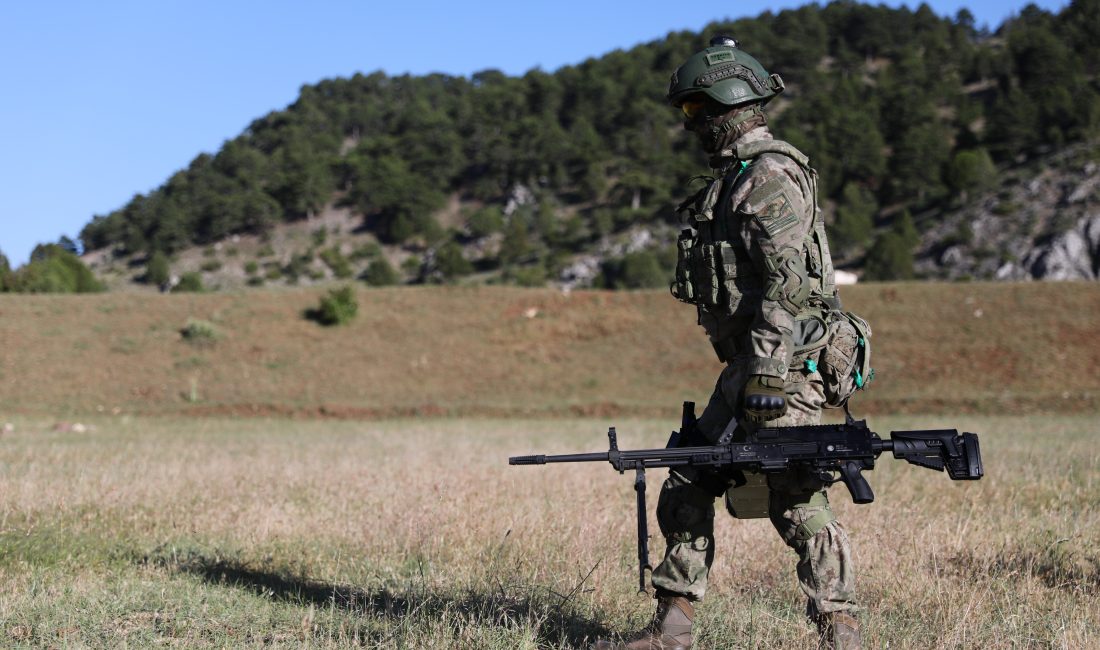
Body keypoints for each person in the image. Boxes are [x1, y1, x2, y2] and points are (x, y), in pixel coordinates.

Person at [596, 37, 862, 650]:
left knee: (794, 495)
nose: (691, 125)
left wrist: (768, 371)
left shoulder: (767, 176)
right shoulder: (735, 179)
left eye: (695, 111)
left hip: (788, 362)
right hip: (754, 364)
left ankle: (841, 629)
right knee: (689, 475)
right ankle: (674, 629)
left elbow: (787, 282)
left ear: (728, 105)